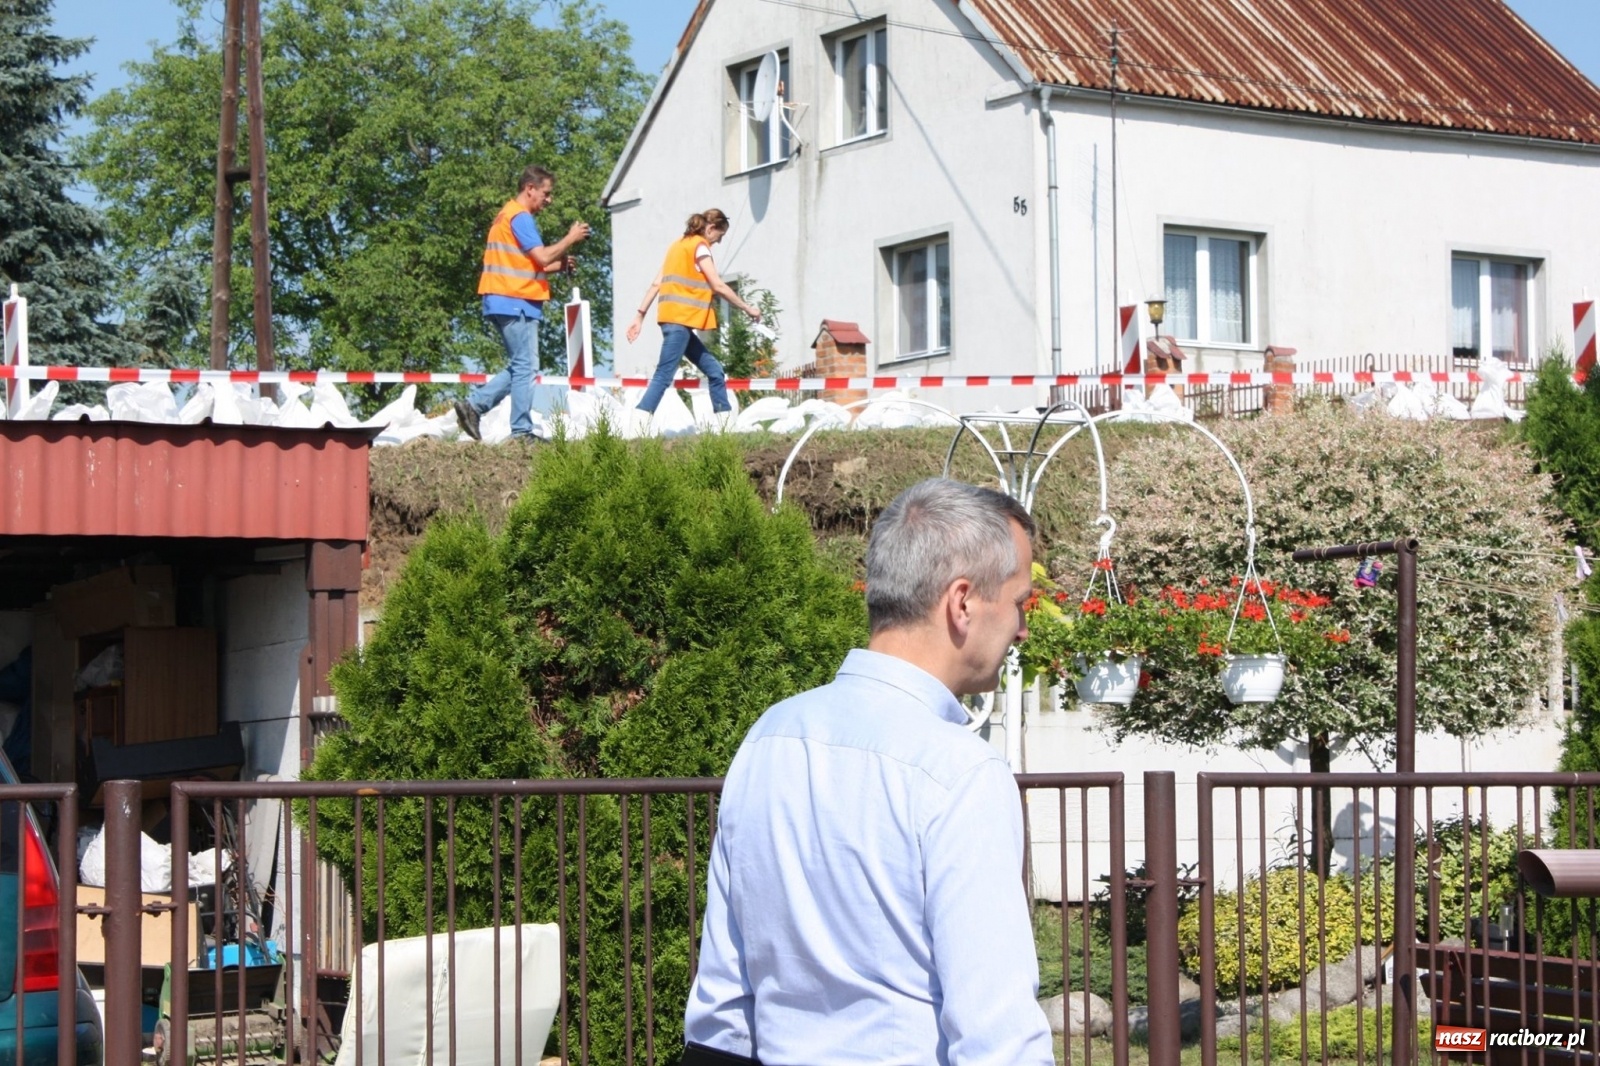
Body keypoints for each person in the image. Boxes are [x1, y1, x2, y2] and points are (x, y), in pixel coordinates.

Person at [683, 478, 1055, 1066]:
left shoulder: (770, 738)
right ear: (962, 603)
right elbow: (998, 1039)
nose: (1023, 628)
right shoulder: (960, 772)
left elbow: (723, 1008)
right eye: (1019, 603)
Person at [455, 164, 590, 441]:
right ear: (530, 188)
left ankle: (475, 407)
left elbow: (528, 264)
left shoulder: (505, 216)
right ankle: (519, 430)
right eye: (546, 193)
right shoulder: (520, 217)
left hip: (502, 298)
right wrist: (571, 238)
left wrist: (560, 266)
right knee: (526, 367)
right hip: (515, 299)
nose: (549, 199)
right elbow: (542, 257)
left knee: (521, 366)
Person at [625, 209, 762, 417]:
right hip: (679, 323)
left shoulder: (677, 247)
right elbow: (718, 285)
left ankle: (724, 424)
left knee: (715, 371)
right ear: (711, 228)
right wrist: (747, 308)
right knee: (664, 375)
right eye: (721, 235)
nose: (719, 241)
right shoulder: (700, 247)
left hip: (674, 322)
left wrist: (639, 316)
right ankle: (638, 421)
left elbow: (656, 284)